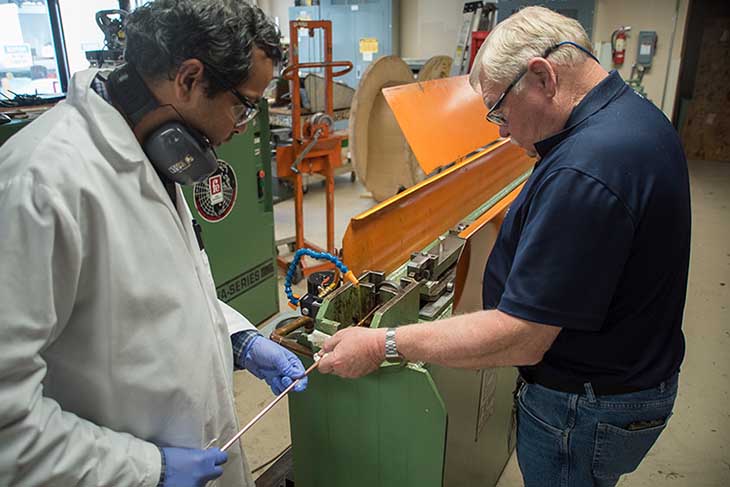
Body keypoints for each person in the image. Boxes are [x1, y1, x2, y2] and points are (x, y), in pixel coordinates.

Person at [317, 6, 690, 487]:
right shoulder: (629, 116)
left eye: (499, 108)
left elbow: (522, 337)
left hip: (584, 405)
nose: (499, 129)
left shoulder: (586, 168)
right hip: (630, 374)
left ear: (542, 77)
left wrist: (382, 343)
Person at [0, 2, 307, 486]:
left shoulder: (149, 151)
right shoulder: (41, 185)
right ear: (187, 78)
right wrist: (145, 470)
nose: (242, 127)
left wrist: (237, 339)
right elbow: (7, 420)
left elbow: (158, 292)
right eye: (244, 105)